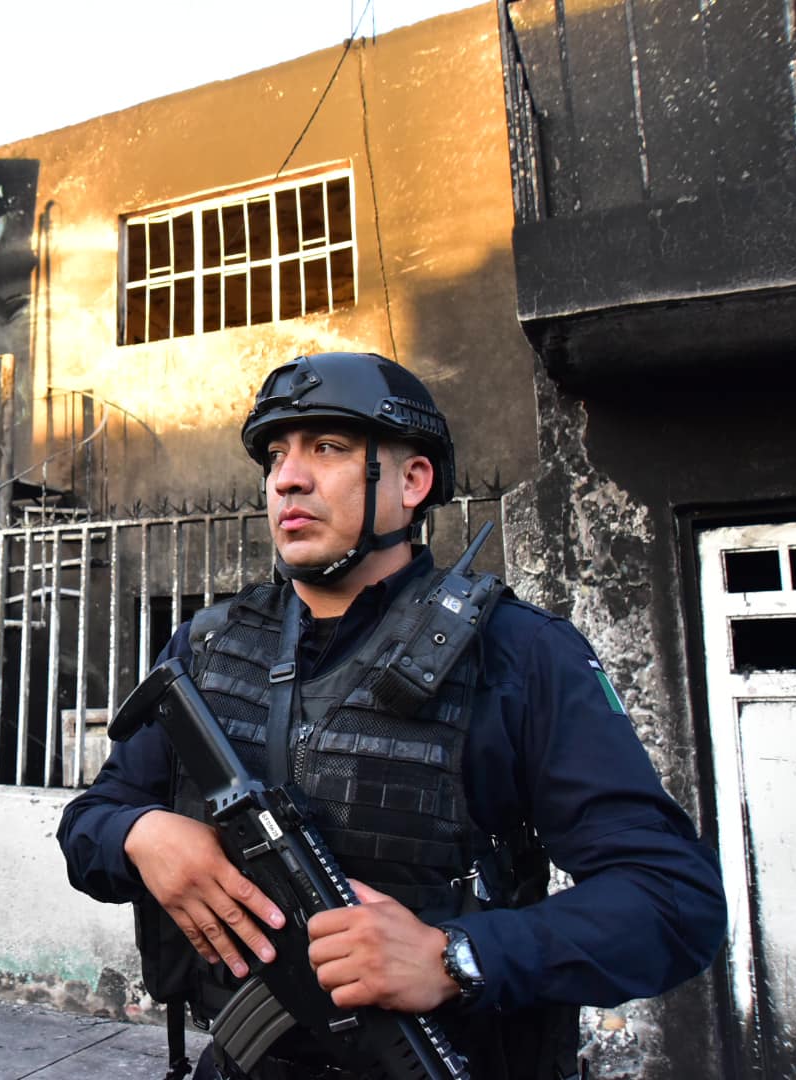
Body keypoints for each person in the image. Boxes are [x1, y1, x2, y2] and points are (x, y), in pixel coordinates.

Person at [57, 353, 726, 1080]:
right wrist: (140, 835)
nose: (288, 477)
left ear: (413, 481)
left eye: (330, 448)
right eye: (276, 455)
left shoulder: (521, 654)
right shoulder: (209, 646)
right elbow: (90, 822)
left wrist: (459, 958)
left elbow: (672, 901)